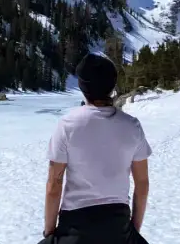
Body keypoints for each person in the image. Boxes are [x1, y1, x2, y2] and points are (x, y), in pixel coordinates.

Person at [39, 53, 152, 244]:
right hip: (118, 225)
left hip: (75, 228)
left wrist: (50, 232)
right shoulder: (132, 126)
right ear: (112, 86)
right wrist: (133, 231)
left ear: (82, 87)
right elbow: (142, 184)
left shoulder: (67, 124)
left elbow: (54, 184)